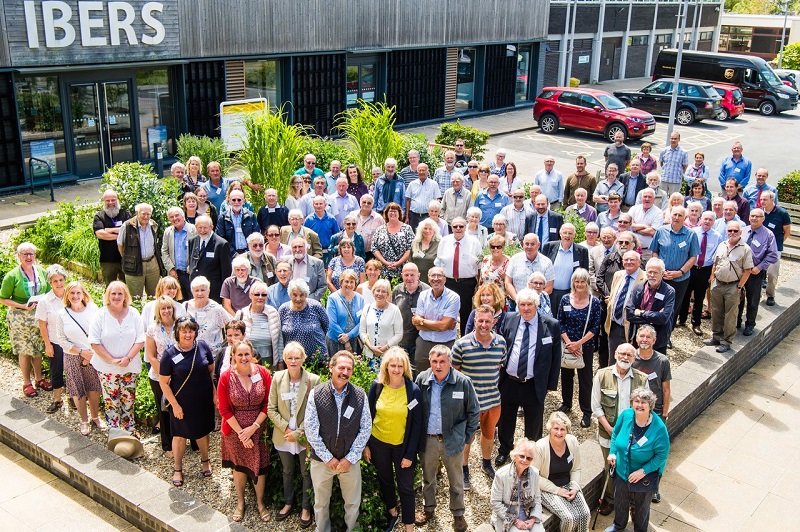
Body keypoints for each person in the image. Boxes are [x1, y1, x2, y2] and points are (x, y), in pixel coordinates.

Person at [413, 345, 479, 532]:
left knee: (456, 480)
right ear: (430, 362)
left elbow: (474, 410)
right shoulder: (422, 379)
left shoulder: (463, 382)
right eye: (434, 361)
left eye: (442, 361)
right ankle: (428, 508)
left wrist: (467, 436)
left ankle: (458, 514)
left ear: (450, 362)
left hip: (453, 439)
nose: (438, 365)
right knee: (428, 478)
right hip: (428, 439)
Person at [305, 351, 372, 532]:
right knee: (320, 503)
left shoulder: (360, 395)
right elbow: (311, 430)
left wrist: (350, 458)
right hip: (322, 461)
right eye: (341, 367)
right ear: (331, 367)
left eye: (349, 368)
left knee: (352, 503)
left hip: (350, 461)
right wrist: (328, 458)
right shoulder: (316, 394)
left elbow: (366, 428)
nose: (345, 372)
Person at [496, 289, 561, 467]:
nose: (526, 308)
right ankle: (505, 450)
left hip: (534, 383)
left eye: (529, 304)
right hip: (509, 381)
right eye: (522, 304)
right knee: (505, 420)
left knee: (534, 423)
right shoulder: (509, 319)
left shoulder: (551, 325)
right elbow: (501, 346)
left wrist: (551, 384)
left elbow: (556, 357)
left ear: (536, 305)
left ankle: (531, 455)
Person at [365, 348, 423, 532]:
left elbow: (416, 426)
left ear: (405, 367)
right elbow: (368, 417)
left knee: (406, 487)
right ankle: (392, 513)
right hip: (378, 442)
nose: (396, 370)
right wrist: (366, 445)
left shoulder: (413, 391)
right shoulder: (377, 386)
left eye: (400, 366)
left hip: (402, 446)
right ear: (386, 367)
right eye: (393, 365)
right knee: (385, 480)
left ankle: (409, 526)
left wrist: (410, 454)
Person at [591, 343, 649, 516]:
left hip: (634, 435)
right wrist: (610, 429)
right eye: (622, 353)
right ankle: (609, 500)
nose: (625, 357)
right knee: (611, 466)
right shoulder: (602, 375)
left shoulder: (642, 379)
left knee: (632, 466)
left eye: (629, 355)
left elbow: (645, 407)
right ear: (615, 354)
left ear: (634, 358)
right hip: (607, 432)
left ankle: (632, 502)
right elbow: (595, 406)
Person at [218, 340, 272, 523]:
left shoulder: (263, 373)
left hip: (258, 428)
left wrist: (254, 428)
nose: (243, 358)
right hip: (235, 431)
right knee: (239, 467)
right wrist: (242, 433)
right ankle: (240, 502)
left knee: (260, 466)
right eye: (239, 354)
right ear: (233, 356)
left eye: (246, 354)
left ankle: (260, 503)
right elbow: (224, 409)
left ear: (252, 354)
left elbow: (268, 404)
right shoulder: (226, 377)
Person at [159, 315, 216, 487]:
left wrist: (214, 395)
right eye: (184, 331)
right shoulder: (169, 355)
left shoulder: (203, 347)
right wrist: (175, 405)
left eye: (191, 331)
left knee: (202, 433)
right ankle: (178, 469)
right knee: (179, 436)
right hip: (181, 403)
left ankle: (205, 460)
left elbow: (210, 372)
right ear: (178, 332)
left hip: (203, 400)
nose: (188, 334)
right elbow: (163, 382)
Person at [452, 305, 506, 485]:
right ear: (474, 321)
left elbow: (497, 367)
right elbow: (455, 373)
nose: (483, 325)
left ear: (494, 322)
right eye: (480, 321)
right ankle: (464, 468)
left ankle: (486, 462)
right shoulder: (461, 345)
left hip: (492, 400)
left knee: (489, 434)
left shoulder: (501, 343)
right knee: (468, 437)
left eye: (487, 321)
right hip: (469, 403)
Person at [267, 342, 320, 527]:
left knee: (306, 473)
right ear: (284, 359)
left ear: (303, 359)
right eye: (289, 358)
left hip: (304, 435)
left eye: (297, 357)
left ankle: (306, 507)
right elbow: (271, 409)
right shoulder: (277, 378)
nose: (293, 361)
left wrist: (298, 433)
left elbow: (314, 412)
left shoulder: (313, 380)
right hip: (283, 435)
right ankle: (288, 502)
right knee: (287, 470)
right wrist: (286, 429)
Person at [604, 388, 670, 532]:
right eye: (636, 401)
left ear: (650, 405)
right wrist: (613, 452)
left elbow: (661, 456)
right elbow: (615, 433)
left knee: (642, 508)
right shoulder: (626, 415)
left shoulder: (659, 429)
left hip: (645, 475)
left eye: (643, 402)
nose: (639, 405)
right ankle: (619, 525)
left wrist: (643, 471)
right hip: (622, 471)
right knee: (620, 501)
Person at [88, 282, 144, 432]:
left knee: (129, 400)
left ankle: (128, 431)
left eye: (120, 293)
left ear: (125, 295)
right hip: (107, 368)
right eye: (113, 293)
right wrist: (112, 360)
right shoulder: (100, 315)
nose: (117, 297)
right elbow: (94, 342)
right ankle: (114, 432)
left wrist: (128, 358)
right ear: (108, 295)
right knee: (111, 401)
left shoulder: (133, 313)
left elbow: (140, 339)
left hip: (129, 366)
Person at [55, 281, 104, 436]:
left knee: (93, 387)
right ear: (67, 295)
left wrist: (90, 353)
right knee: (77, 389)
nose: (75, 296)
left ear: (83, 294)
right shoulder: (62, 314)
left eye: (78, 293)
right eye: (72, 293)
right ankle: (84, 420)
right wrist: (81, 352)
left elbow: (100, 331)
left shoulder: (93, 309)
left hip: (92, 355)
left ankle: (95, 416)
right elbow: (61, 339)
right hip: (72, 356)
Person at [557, 269, 602, 429]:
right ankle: (566, 403)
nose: (580, 284)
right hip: (567, 344)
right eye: (577, 281)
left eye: (583, 281)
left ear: (587, 283)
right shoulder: (565, 299)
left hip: (585, 346)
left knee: (585, 379)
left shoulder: (594, 302)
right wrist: (569, 343)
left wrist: (578, 343)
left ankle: (587, 411)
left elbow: (595, 326)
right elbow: (560, 322)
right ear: (573, 283)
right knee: (566, 374)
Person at [533, 412, 591, 532]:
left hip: (568, 485)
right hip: (548, 488)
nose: (559, 433)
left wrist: (574, 488)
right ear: (550, 429)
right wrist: (557, 490)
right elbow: (534, 477)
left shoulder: (572, 441)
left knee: (585, 514)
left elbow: (576, 468)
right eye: (556, 428)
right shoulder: (540, 447)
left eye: (562, 429)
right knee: (569, 518)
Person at [705, 221, 754, 353]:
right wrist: (712, 278)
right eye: (730, 230)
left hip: (733, 286)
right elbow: (715, 263)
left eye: (735, 231)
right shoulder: (722, 245)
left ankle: (726, 341)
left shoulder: (745, 249)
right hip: (718, 283)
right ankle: (716, 336)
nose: (732, 233)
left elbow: (748, 270)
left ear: (740, 233)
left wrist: (739, 286)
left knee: (730, 315)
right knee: (716, 311)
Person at [649, 205, 700, 327]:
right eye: (674, 214)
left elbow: (693, 257)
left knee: (674, 307)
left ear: (685, 218)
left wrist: (680, 272)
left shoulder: (691, 235)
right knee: (658, 303)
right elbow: (654, 251)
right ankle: (655, 330)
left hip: (680, 279)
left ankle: (668, 333)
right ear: (670, 216)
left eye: (680, 215)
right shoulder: (661, 231)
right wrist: (659, 270)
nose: (676, 218)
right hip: (662, 277)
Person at [435, 217, 483, 335]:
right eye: (455, 226)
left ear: (465, 227)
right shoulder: (444, 241)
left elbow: (480, 265)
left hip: (467, 283)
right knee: (446, 312)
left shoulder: (474, 242)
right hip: (448, 282)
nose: (458, 229)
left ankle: (464, 339)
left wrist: (478, 284)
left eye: (461, 226)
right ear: (451, 228)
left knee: (466, 313)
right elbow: (438, 263)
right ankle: (445, 338)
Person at [145, 295, 180, 450]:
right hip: (159, 376)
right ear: (158, 311)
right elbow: (151, 356)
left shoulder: (180, 325)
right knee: (164, 409)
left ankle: (186, 439)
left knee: (182, 407)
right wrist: (164, 376)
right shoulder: (153, 329)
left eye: (169, 307)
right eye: (163, 308)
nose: (166, 311)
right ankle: (168, 445)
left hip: (180, 375)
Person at [679, 212, 722, 336]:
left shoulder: (717, 236)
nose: (707, 221)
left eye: (710, 219)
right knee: (685, 295)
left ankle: (696, 323)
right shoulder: (692, 232)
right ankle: (681, 320)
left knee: (699, 297)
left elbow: (717, 256)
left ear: (714, 222)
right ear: (701, 220)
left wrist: (712, 274)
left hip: (705, 270)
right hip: (691, 267)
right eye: (705, 219)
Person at [489, 437, 545, 532]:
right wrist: (515, 521)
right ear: (515, 455)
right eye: (522, 456)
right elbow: (495, 502)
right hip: (506, 518)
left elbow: (537, 499)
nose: (525, 460)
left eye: (529, 458)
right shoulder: (501, 475)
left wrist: (533, 519)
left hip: (528, 515)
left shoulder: (534, 473)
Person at [737, 209, 778, 335]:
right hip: (739, 271)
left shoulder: (768, 235)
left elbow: (772, 255)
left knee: (752, 299)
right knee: (737, 297)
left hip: (755, 272)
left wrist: (759, 267)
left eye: (757, 216)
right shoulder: (742, 231)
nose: (754, 218)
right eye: (752, 216)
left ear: (763, 219)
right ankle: (736, 321)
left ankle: (750, 324)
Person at [412, 267, 460, 373]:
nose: (436, 278)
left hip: (445, 344)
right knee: (422, 377)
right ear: (428, 279)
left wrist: (422, 321)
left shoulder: (453, 298)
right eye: (433, 275)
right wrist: (442, 324)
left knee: (445, 376)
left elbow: (442, 326)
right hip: (424, 344)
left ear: (445, 279)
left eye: (439, 276)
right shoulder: (423, 295)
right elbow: (417, 325)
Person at [36, 264, 67, 413]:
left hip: (72, 342)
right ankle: (57, 400)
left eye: (61, 280)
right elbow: (42, 325)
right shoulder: (45, 301)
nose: (59, 283)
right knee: (56, 370)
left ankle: (75, 399)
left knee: (73, 371)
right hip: (55, 341)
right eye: (55, 281)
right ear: (50, 283)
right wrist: (47, 344)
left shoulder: (72, 295)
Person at [626, 259, 675, 353]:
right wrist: (653, 319)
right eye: (650, 272)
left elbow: (664, 318)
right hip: (638, 338)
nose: (652, 275)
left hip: (658, 339)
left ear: (662, 273)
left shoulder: (669, 292)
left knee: (656, 366)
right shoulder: (638, 288)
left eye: (655, 273)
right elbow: (629, 314)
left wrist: (641, 313)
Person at [605, 251, 646, 361]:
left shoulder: (645, 278)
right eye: (626, 260)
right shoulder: (618, 275)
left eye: (632, 260)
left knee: (632, 361)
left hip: (633, 328)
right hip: (615, 325)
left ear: (639, 262)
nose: (628, 262)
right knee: (614, 360)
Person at [117, 203, 163, 299]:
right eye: (143, 214)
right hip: (134, 265)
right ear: (137, 213)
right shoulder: (127, 226)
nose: (146, 217)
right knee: (135, 297)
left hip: (152, 263)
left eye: (148, 214)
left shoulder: (153, 225)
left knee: (154, 296)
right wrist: (129, 258)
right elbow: (120, 245)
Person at [235, 280, 284, 367]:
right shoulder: (241, 314)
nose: (260, 297)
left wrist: (280, 362)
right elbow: (235, 340)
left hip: (269, 361)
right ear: (250, 295)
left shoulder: (273, 313)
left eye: (264, 295)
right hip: (247, 361)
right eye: (257, 294)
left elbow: (279, 339)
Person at [280, 279, 329, 361]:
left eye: (301, 295)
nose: (298, 299)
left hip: (316, 358)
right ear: (290, 295)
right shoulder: (283, 309)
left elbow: (326, 326)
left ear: (306, 295)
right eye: (295, 295)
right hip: (293, 360)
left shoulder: (316, 306)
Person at [542, 223, 590, 308]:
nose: (567, 236)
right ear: (560, 234)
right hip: (550, 293)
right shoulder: (549, 247)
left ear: (574, 235)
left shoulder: (582, 251)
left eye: (570, 233)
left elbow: (584, 274)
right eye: (565, 233)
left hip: (570, 294)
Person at [632, 325, 671, 425]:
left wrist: (665, 413)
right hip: (635, 409)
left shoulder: (662, 361)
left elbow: (666, 390)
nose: (644, 339)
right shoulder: (630, 359)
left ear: (654, 340)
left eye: (648, 337)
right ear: (637, 339)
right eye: (641, 336)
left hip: (655, 411)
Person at [188, 215, 232, 303]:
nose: (202, 230)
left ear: (211, 227)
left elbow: (226, 272)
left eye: (205, 228)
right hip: (196, 290)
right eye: (200, 227)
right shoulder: (192, 241)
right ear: (195, 227)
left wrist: (225, 295)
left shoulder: (221, 244)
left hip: (213, 291)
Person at [392, 263, 429, 363]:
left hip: (420, 340)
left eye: (412, 275)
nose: (409, 278)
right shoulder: (397, 291)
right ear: (402, 275)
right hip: (401, 340)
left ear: (418, 275)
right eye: (406, 275)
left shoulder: (427, 291)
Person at [359, 279, 403, 365]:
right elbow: (362, 331)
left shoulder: (395, 310)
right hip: (369, 355)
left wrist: (384, 348)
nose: (380, 294)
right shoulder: (367, 308)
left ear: (387, 294)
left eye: (383, 292)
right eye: (377, 290)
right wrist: (370, 347)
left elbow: (399, 334)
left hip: (388, 356)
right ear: (373, 291)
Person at [93, 190, 131, 286]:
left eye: (113, 200)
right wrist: (120, 234)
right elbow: (100, 234)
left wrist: (108, 230)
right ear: (104, 201)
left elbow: (130, 231)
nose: (110, 203)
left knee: (127, 287)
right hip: (108, 260)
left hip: (126, 258)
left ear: (117, 200)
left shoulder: (125, 214)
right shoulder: (99, 216)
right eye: (107, 200)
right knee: (109, 288)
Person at [184, 276, 233, 351]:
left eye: (203, 290)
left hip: (213, 355)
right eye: (196, 290)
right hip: (190, 353)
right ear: (192, 292)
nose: (200, 293)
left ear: (208, 291)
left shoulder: (216, 309)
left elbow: (232, 325)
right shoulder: (186, 306)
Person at [505, 234, 555, 305]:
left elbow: (549, 287)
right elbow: (508, 283)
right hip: (515, 303)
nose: (529, 247)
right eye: (527, 244)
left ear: (538, 245)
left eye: (532, 244)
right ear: (523, 244)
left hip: (538, 304)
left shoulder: (547, 262)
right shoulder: (514, 259)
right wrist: (518, 299)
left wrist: (535, 301)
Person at [761, 190, 791, 306]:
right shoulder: (759, 212)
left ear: (772, 200)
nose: (762, 202)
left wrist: (776, 244)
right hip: (760, 248)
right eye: (761, 199)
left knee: (773, 274)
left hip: (775, 249)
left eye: (765, 199)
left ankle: (770, 295)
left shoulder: (782, 213)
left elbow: (787, 232)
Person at [160, 207, 196, 300]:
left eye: (177, 215)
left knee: (192, 299)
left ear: (183, 216)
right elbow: (164, 251)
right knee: (177, 300)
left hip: (190, 273)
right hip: (175, 274)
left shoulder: (194, 230)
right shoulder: (168, 232)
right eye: (171, 217)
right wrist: (170, 269)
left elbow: (198, 251)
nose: (175, 218)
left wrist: (192, 267)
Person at [325, 270, 365, 356]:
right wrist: (345, 341)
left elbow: (362, 321)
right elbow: (332, 323)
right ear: (341, 282)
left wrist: (349, 335)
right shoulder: (333, 298)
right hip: (335, 340)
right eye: (346, 281)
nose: (349, 285)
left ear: (355, 284)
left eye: (352, 282)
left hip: (353, 340)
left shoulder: (360, 299)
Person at [371, 202, 414, 279]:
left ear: (399, 213)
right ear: (386, 213)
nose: (393, 213)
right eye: (390, 211)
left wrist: (398, 263)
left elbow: (410, 248)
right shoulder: (380, 229)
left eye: (395, 211)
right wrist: (386, 263)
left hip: (402, 269)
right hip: (384, 269)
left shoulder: (407, 228)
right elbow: (374, 248)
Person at [217, 189, 259, 256]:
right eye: (234, 200)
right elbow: (221, 238)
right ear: (229, 201)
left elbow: (256, 235)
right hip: (229, 254)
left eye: (239, 200)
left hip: (249, 253)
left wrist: (247, 252)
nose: (236, 202)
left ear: (243, 201)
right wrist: (234, 253)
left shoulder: (251, 216)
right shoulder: (222, 218)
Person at [628, 188, 663, 260]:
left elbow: (653, 232)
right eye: (645, 196)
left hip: (648, 252)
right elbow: (628, 226)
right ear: (641, 198)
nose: (647, 199)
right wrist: (645, 226)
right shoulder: (634, 209)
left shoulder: (658, 213)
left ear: (654, 199)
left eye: (649, 197)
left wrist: (635, 229)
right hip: (631, 250)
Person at [305, 195, 340, 266]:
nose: (319, 206)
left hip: (328, 252)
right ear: (313, 205)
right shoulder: (309, 220)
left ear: (325, 205)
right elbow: (304, 236)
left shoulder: (331, 219)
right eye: (316, 204)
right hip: (314, 253)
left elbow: (337, 236)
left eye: (321, 204)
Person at [289, 236, 327, 301]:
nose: (297, 250)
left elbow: (322, 286)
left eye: (300, 246)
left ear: (306, 248)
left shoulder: (317, 263)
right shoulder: (285, 262)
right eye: (294, 247)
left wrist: (308, 300)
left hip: (309, 303)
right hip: (290, 303)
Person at [352, 194, 384, 260]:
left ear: (372, 205)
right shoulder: (352, 215)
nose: (366, 204)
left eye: (369, 203)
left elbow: (383, 236)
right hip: (353, 252)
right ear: (360, 203)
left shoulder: (378, 218)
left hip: (370, 254)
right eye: (364, 202)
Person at [658, 131, 689, 196]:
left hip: (676, 181)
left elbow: (685, 166)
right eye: (672, 138)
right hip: (664, 179)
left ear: (679, 140)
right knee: (662, 198)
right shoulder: (664, 151)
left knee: (674, 200)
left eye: (675, 138)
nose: (673, 140)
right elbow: (661, 163)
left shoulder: (683, 152)